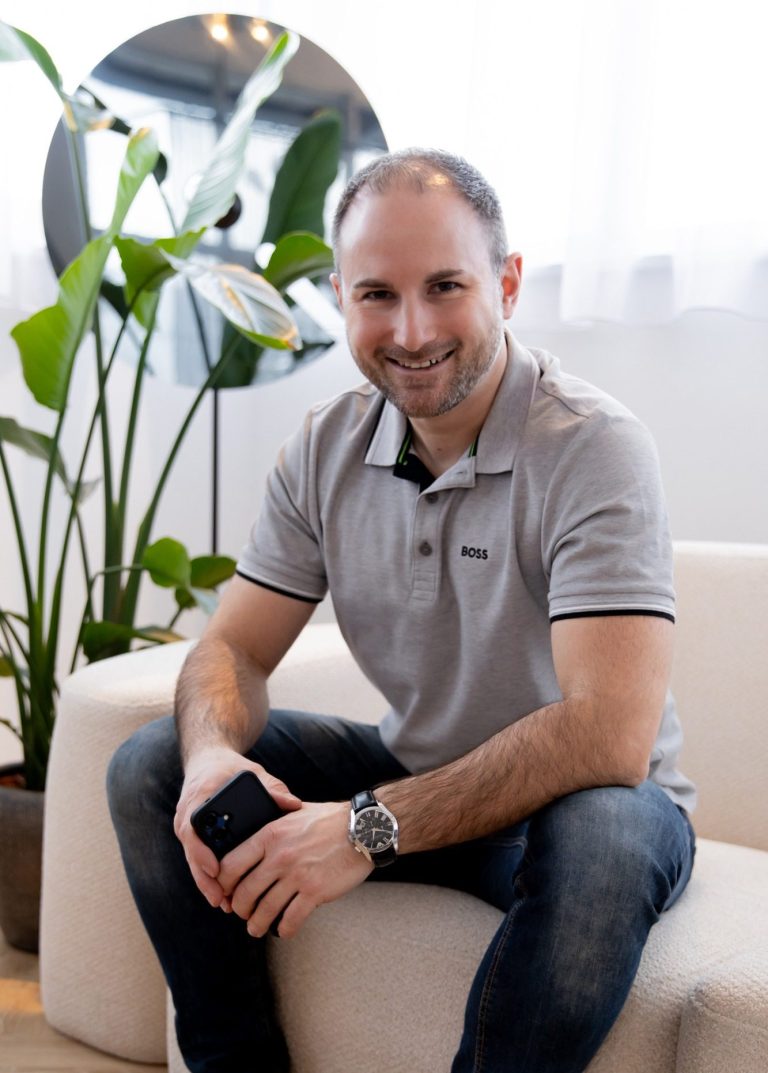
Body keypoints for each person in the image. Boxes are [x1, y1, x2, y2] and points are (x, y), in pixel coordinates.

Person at [107, 148, 697, 1073]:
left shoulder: (594, 447)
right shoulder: (325, 446)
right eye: (377, 294)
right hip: (418, 768)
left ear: (507, 284)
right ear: (340, 297)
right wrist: (214, 752)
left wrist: (362, 828)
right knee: (154, 762)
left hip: (574, 810)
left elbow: (609, 735)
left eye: (445, 286)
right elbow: (235, 650)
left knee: (609, 833)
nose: (412, 330)